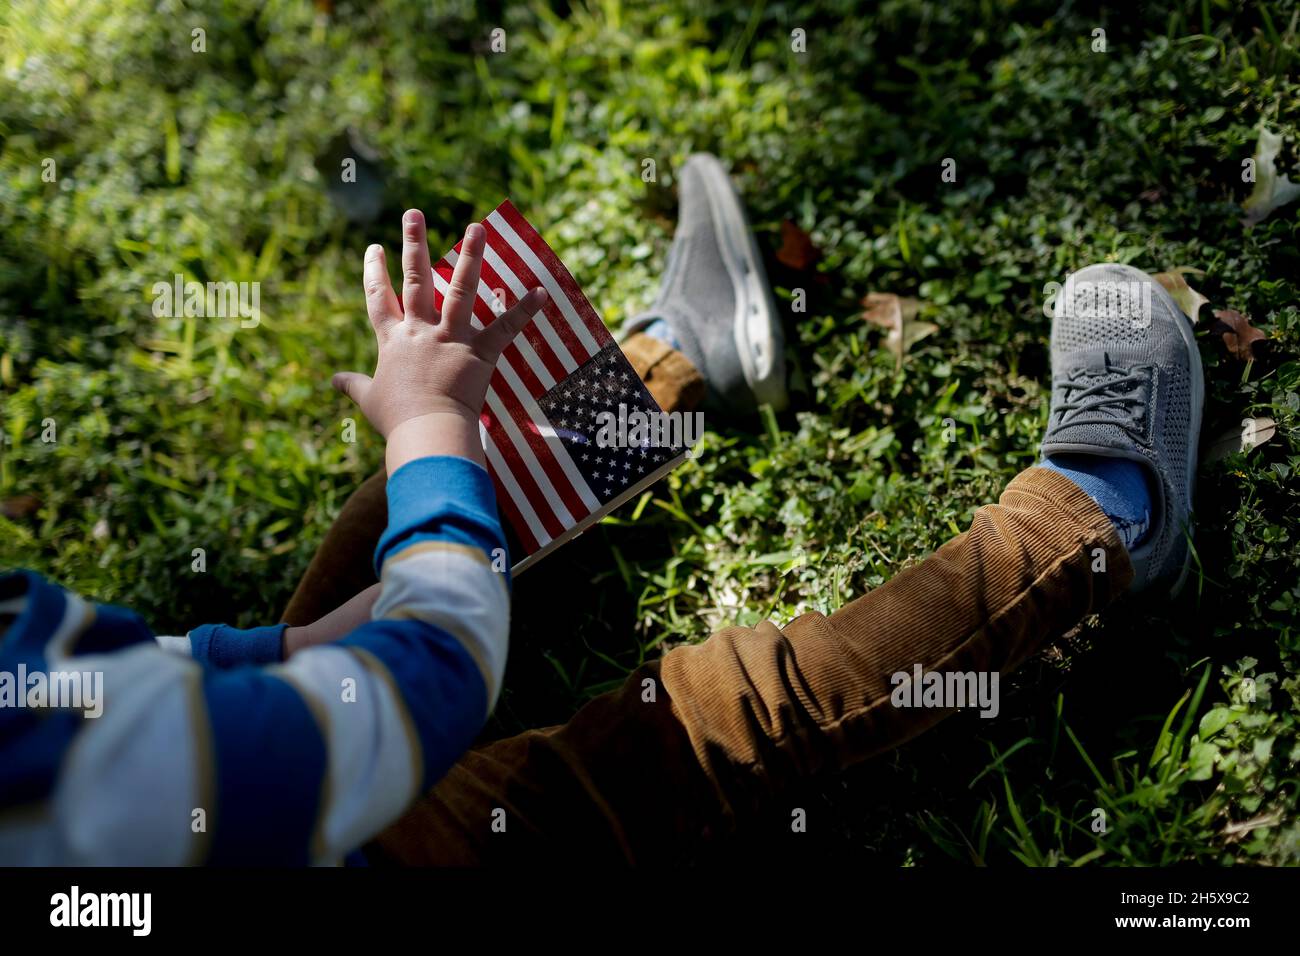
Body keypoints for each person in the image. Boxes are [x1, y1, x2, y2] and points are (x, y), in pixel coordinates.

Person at [0, 155, 1202, 865]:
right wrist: (427, 435)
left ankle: (676, 366)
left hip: (226, 781)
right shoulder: (94, 795)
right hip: (334, 836)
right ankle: (1095, 523)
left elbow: (105, 672)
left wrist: (275, 649)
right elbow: (429, 676)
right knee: (695, 720)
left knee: (390, 529)